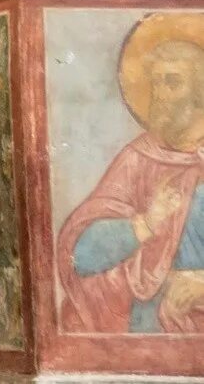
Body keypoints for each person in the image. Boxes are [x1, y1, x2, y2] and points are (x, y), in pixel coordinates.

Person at [58, 38, 204, 333]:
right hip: (152, 330)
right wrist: (144, 225)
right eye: (156, 83)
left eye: (172, 82)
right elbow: (81, 256)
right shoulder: (138, 160)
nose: (160, 94)